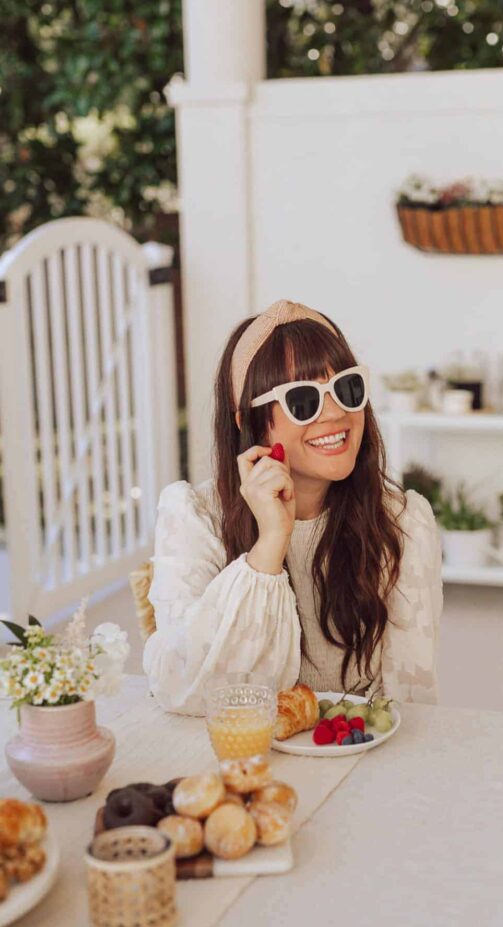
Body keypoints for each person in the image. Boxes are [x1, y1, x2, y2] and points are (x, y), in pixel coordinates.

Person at [143, 299, 443, 715]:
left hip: (358, 752)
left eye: (347, 388)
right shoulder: (195, 517)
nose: (336, 413)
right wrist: (269, 545)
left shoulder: (401, 522)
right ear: (245, 420)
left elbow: (408, 701)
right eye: (304, 400)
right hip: (243, 757)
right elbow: (184, 692)